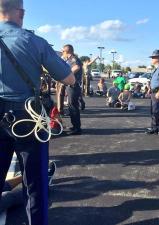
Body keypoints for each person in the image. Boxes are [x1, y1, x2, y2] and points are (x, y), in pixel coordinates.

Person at [0, 1, 75, 224]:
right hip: (27, 118)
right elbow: (68, 78)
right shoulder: (33, 41)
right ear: (21, 13)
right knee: (34, 184)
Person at [145, 50, 159, 136]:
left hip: (158, 92)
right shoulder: (156, 70)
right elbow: (154, 81)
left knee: (156, 111)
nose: (152, 59)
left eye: (153, 57)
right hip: (153, 92)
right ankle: (154, 127)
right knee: (152, 111)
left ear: (158, 58)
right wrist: (149, 89)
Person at [61, 44, 83, 135]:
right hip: (70, 86)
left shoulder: (74, 59)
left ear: (67, 51)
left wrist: (67, 74)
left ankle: (77, 129)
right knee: (71, 106)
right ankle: (75, 126)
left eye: (63, 51)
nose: (62, 53)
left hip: (73, 86)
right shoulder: (69, 59)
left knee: (73, 107)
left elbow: (77, 67)